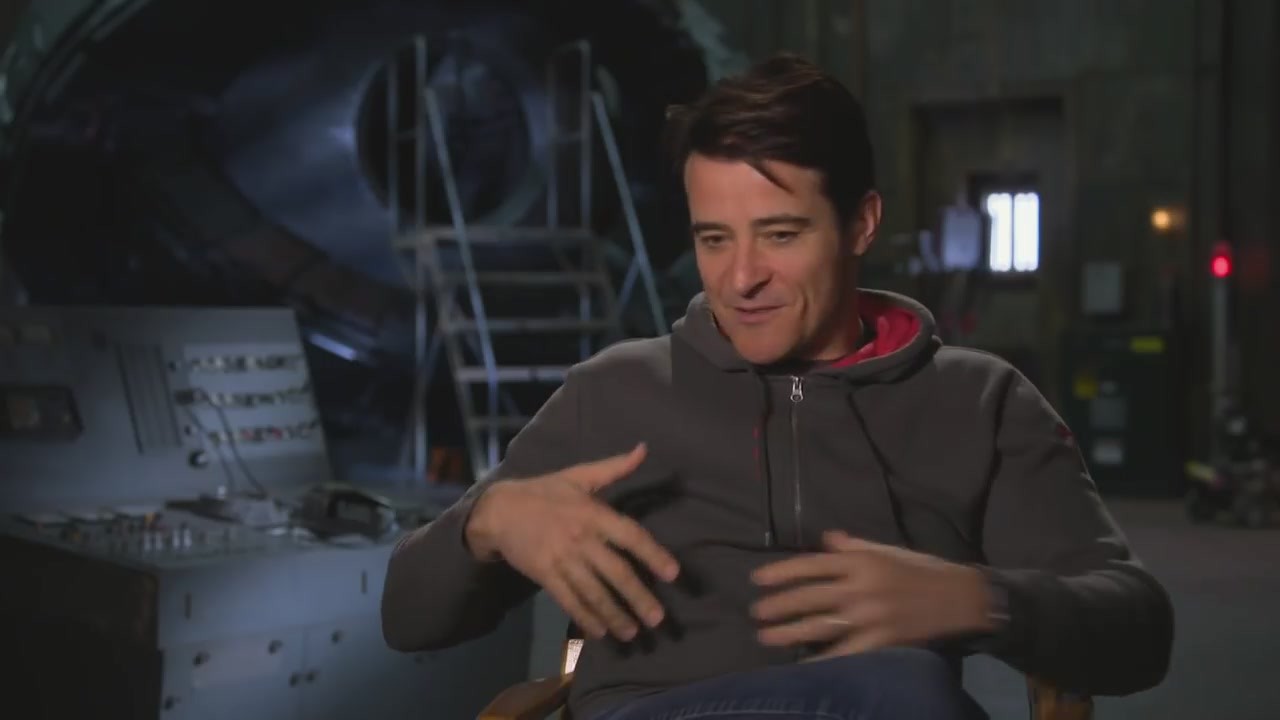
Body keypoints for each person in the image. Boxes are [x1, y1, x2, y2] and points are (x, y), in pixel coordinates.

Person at [380, 54, 1174, 720]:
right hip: (661, 711)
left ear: (861, 223)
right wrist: (487, 522)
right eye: (714, 239)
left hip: (879, 707)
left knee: (900, 689)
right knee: (903, 690)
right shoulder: (615, 392)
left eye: (780, 235)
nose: (741, 278)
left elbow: (1138, 630)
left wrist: (979, 602)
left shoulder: (978, 403)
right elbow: (406, 619)